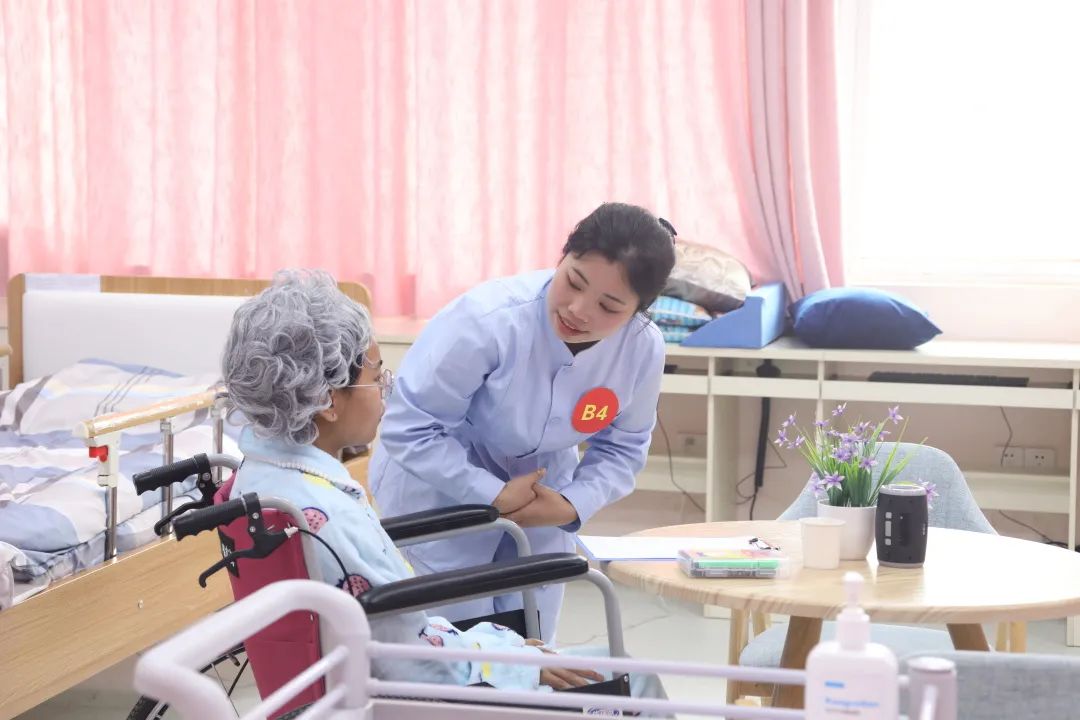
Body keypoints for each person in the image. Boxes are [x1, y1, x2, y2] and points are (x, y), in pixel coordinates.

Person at [222, 269, 664, 697]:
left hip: (420, 667)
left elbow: (404, 632)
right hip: (432, 698)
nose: (387, 389)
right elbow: (414, 662)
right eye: (376, 376)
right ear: (327, 401)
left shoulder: (263, 483)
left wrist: (499, 644)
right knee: (635, 679)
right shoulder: (331, 518)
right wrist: (514, 660)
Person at [369, 202, 677, 640]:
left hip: (544, 500)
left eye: (609, 306)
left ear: (638, 311)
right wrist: (491, 494)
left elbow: (623, 447)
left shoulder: (642, 348)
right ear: (562, 257)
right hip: (440, 490)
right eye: (573, 281)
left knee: (531, 646)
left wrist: (572, 503)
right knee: (459, 651)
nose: (579, 310)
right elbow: (410, 427)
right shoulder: (487, 321)